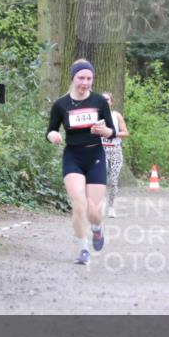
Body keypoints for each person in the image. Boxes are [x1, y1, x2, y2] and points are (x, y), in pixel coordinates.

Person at [46, 59, 116, 265]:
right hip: (73, 157)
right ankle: (82, 249)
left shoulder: (99, 102)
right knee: (79, 204)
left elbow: (111, 132)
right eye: (81, 78)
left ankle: (97, 228)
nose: (85, 82)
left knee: (94, 211)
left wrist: (106, 131)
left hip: (95, 155)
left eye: (89, 78)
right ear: (73, 78)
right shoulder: (61, 104)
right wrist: (52, 136)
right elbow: (50, 129)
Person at [100, 91, 130, 218]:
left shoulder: (116, 116)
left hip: (116, 150)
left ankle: (111, 206)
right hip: (101, 150)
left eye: (107, 99)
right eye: (103, 99)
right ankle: (100, 203)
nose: (105, 101)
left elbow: (126, 133)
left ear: (111, 102)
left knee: (113, 180)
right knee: (102, 176)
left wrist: (111, 133)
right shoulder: (96, 116)